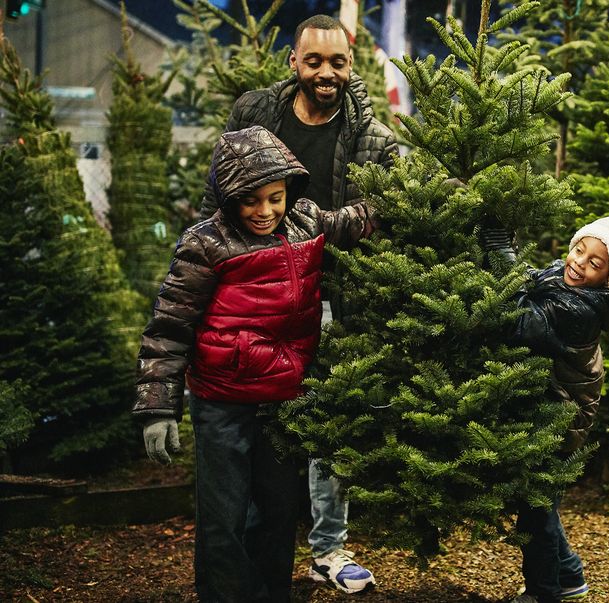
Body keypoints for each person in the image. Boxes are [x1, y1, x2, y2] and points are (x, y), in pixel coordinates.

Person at [199, 15, 400, 594]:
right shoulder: (256, 113)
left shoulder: (371, 135)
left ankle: (328, 547)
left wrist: (322, 225)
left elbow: (381, 211)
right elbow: (219, 194)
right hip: (251, 296)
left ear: (350, 64)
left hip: (331, 294)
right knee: (263, 431)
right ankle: (251, 554)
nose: (326, 73)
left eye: (337, 62)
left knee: (328, 420)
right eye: (314, 61)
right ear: (294, 61)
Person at [133, 126, 377, 601]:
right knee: (223, 517)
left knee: (278, 511)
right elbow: (169, 326)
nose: (265, 212)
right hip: (222, 401)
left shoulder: (305, 222)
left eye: (275, 197)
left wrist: (418, 192)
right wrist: (158, 408)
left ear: (290, 192)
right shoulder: (205, 245)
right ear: (228, 198)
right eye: (251, 201)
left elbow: (353, 220)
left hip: (284, 398)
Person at [482, 216, 609, 603]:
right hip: (551, 407)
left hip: (560, 418)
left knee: (535, 509)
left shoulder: (582, 309)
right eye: (579, 250)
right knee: (542, 502)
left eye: (595, 263)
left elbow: (520, 323)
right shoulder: (562, 275)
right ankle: (569, 575)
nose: (579, 263)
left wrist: (501, 252)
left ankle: (544, 592)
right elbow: (532, 281)